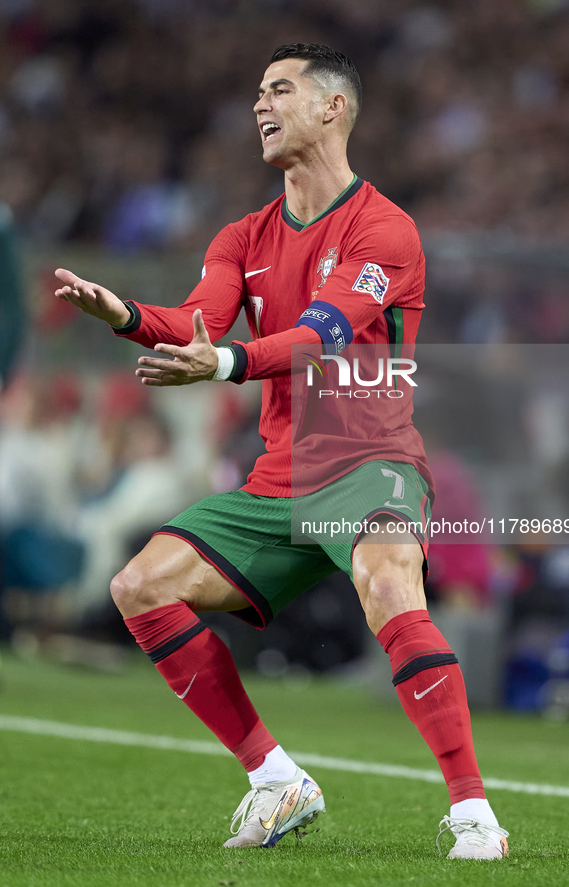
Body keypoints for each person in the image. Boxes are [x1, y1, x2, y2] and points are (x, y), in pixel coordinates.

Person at [54, 43, 508, 859]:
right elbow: (200, 319)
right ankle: (274, 776)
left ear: (332, 107)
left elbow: (318, 334)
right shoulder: (243, 234)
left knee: (386, 583)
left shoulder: (385, 229)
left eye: (279, 89)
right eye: (257, 92)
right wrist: (123, 311)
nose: (260, 105)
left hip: (372, 461)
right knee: (140, 585)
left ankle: (474, 814)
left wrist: (222, 363)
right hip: (276, 479)